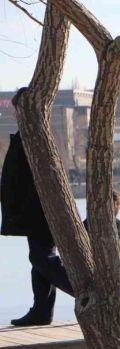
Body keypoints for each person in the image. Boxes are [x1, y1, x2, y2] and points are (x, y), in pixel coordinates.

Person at [1, 87, 74, 326]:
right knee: (40, 258)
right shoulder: (36, 134)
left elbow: (32, 178)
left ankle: (83, 291)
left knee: (42, 257)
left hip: (40, 210)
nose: (13, 114)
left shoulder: (38, 136)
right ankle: (41, 310)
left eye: (16, 109)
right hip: (36, 210)